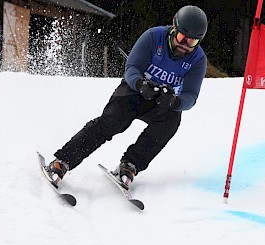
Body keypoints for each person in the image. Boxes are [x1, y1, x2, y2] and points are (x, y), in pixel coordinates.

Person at [45, 5, 208, 189]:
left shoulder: (198, 60)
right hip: (134, 91)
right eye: (181, 37)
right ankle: (62, 161)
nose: (184, 45)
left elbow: (191, 96)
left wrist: (175, 101)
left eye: (192, 42)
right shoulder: (154, 37)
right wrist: (140, 84)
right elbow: (131, 68)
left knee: (171, 121)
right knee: (110, 123)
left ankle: (130, 164)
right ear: (174, 28)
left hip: (161, 101)